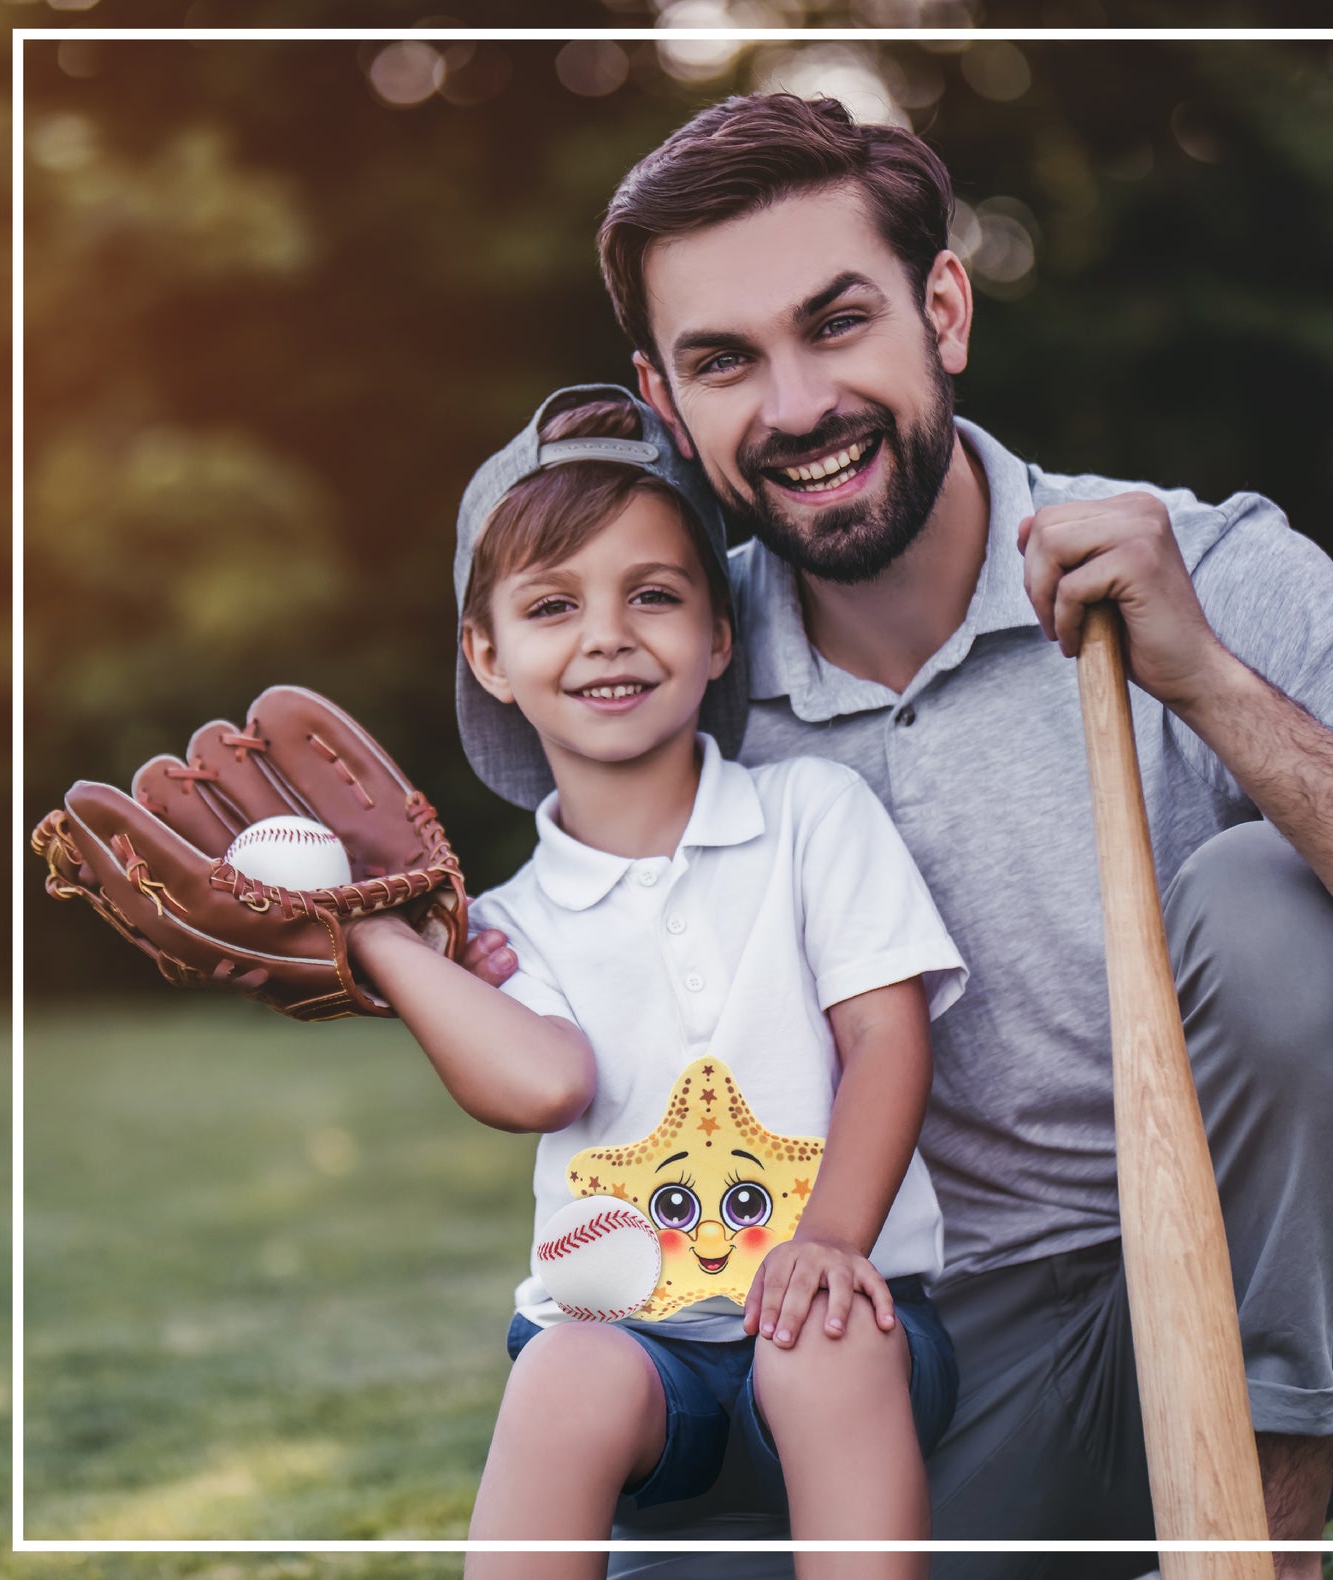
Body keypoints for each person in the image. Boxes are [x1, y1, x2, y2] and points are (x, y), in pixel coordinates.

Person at [460, 94, 1333, 1578]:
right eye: (724, 361)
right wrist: (359, 937)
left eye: (836, 323)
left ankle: (1248, 1555)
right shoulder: (670, 665)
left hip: (1299, 1289)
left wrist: (1211, 684)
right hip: (939, 1348)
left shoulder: (1212, 566)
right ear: (664, 396)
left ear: (944, 307)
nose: (792, 407)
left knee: (1263, 903)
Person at [350, 384, 969, 1579]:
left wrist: (828, 1239)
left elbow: (887, 1041)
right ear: (486, 653)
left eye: (652, 594)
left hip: (848, 1325)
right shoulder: (504, 926)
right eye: (548, 605)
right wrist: (382, 940)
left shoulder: (809, 816)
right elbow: (541, 1082)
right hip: (639, 1366)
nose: (606, 635)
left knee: (822, 1336)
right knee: (565, 1367)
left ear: (718, 631)